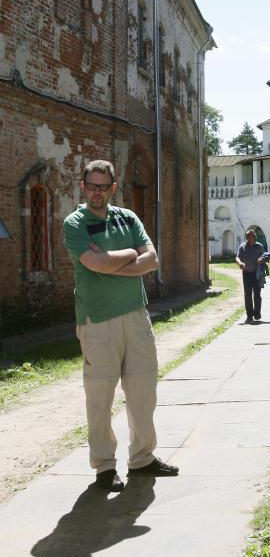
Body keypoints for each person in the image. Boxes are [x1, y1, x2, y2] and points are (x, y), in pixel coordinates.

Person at [63, 159, 178, 492]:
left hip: (135, 315)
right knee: (100, 397)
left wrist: (113, 263)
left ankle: (142, 459)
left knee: (143, 392)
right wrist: (131, 255)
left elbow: (152, 260)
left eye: (104, 187)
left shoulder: (128, 218)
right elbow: (93, 263)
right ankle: (104, 467)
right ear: (82, 186)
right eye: (91, 186)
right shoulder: (76, 223)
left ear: (113, 188)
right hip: (97, 321)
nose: (97, 193)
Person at [236, 229, 265, 323]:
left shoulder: (259, 246)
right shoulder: (242, 246)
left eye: (255, 235)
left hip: (257, 273)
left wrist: (262, 260)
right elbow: (237, 257)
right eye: (253, 236)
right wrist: (240, 263)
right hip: (247, 273)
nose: (255, 237)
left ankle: (257, 313)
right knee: (248, 295)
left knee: (257, 294)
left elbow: (264, 256)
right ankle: (249, 315)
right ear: (248, 238)